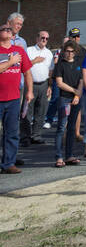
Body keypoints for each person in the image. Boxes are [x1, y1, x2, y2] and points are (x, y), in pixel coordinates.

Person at [0, 21, 33, 174]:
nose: (7, 31)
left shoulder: (19, 50)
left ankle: (9, 163)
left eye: (9, 30)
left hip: (13, 98)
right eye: (4, 29)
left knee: (12, 132)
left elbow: (27, 72)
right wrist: (11, 62)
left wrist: (29, 91)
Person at [53, 42, 83, 168]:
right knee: (61, 128)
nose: (69, 53)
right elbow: (59, 83)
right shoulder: (60, 65)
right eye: (67, 51)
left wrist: (77, 95)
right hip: (64, 99)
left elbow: (81, 81)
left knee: (71, 128)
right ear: (64, 51)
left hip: (76, 99)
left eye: (72, 51)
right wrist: (73, 91)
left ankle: (69, 155)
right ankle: (59, 156)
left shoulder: (78, 64)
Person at [26, 31, 54, 143]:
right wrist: (35, 61)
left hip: (44, 84)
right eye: (42, 38)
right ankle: (25, 137)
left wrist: (50, 86)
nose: (44, 40)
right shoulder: (29, 50)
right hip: (31, 84)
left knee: (41, 111)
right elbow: (24, 66)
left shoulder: (49, 53)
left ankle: (36, 135)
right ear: (37, 38)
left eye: (47, 38)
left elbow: (51, 71)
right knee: (27, 111)